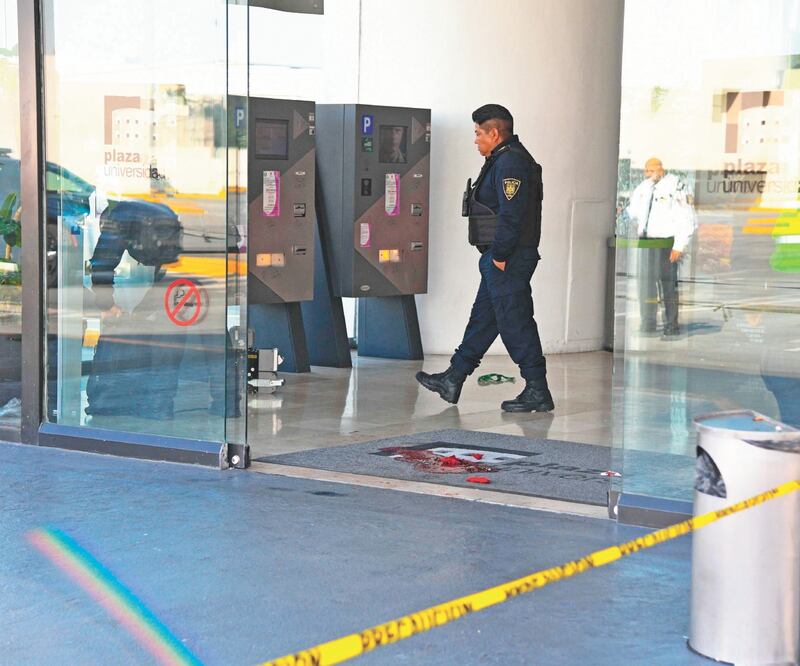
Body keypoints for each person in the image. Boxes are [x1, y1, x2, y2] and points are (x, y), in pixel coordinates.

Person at [416, 104, 553, 413]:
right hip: (500, 257)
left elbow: (512, 214)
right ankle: (454, 377)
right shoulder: (502, 159)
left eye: (478, 133)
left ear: (494, 132)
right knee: (484, 320)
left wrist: (501, 255)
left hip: (508, 257)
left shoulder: (512, 163)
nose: (475, 139)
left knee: (515, 321)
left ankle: (537, 389)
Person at [626, 157, 696, 338]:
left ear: (660, 169)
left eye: (650, 170)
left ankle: (671, 325)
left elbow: (686, 217)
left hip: (666, 243)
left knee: (668, 286)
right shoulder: (643, 188)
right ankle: (648, 323)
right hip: (646, 242)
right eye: (646, 171)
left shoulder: (676, 186)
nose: (647, 174)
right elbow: (633, 212)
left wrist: (679, 245)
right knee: (646, 286)